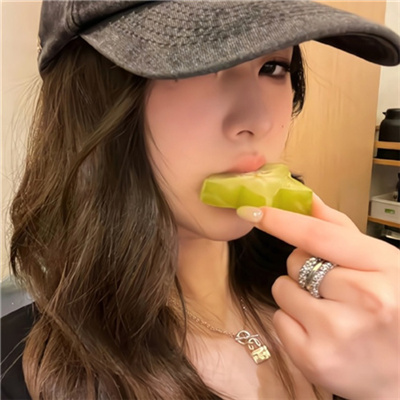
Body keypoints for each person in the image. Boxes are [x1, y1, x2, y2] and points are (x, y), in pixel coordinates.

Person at [1, 1, 399, 399]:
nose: (258, 120)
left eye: (273, 67)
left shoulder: (361, 310)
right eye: (198, 66)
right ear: (90, 100)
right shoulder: (16, 371)